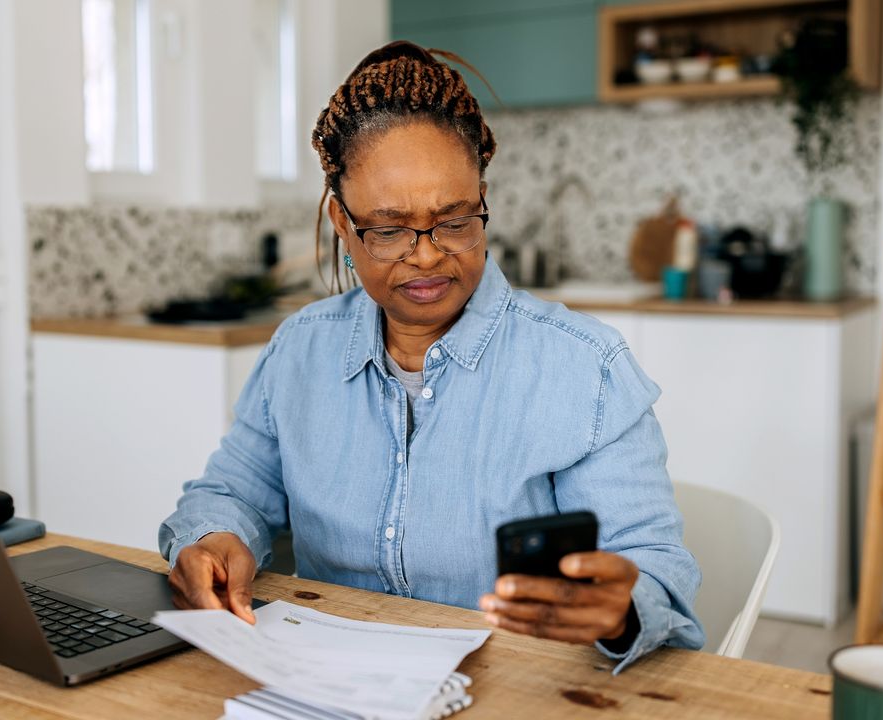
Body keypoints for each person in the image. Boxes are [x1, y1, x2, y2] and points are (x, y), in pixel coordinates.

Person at [159, 41, 703, 672]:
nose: (425, 256)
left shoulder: (587, 369)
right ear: (342, 222)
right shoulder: (300, 350)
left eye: (454, 220)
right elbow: (231, 492)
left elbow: (657, 568)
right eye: (389, 229)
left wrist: (622, 606)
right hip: (327, 686)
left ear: (482, 200)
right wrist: (214, 539)